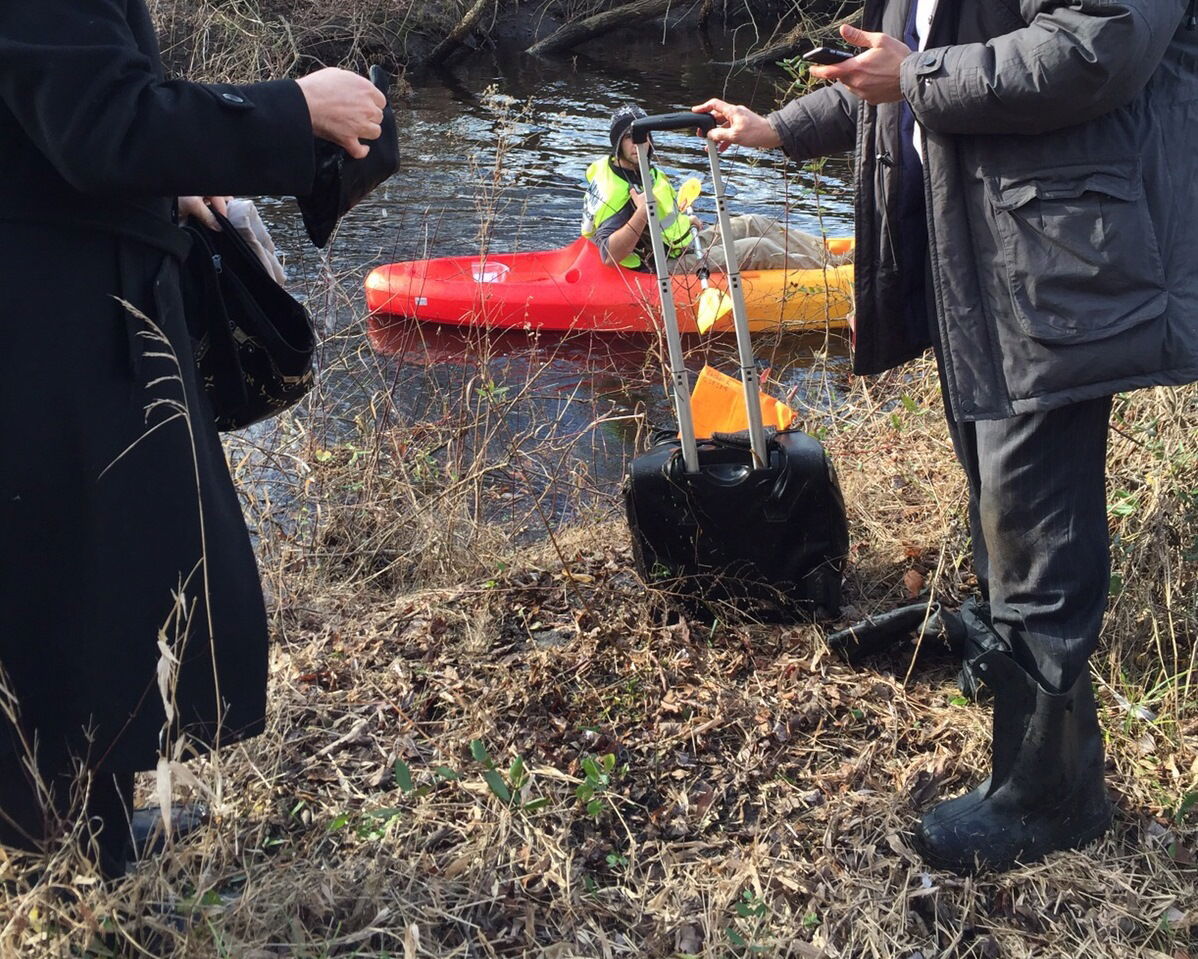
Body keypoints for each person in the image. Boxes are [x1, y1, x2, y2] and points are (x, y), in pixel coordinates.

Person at [696, 1, 1197, 873]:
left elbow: (1096, 45)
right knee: (996, 486)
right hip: (983, 246)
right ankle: (990, 649)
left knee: (1034, 505)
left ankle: (1055, 791)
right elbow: (886, 71)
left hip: (1061, 256)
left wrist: (916, 77)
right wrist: (773, 128)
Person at [0, 0, 386, 878]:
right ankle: (74, 877)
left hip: (61, 316)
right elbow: (104, 124)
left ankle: (89, 835)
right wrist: (296, 110)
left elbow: (55, 115)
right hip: (51, 333)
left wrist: (170, 178)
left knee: (85, 586)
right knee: (69, 591)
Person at [581, 103, 842, 274]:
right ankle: (832, 278)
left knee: (755, 222)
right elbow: (610, 255)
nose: (640, 144)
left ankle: (833, 258)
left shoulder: (639, 167)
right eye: (630, 138)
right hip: (664, 265)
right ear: (617, 144)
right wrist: (640, 213)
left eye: (644, 137)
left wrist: (684, 222)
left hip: (680, 244)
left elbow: (663, 219)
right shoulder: (616, 189)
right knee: (757, 248)